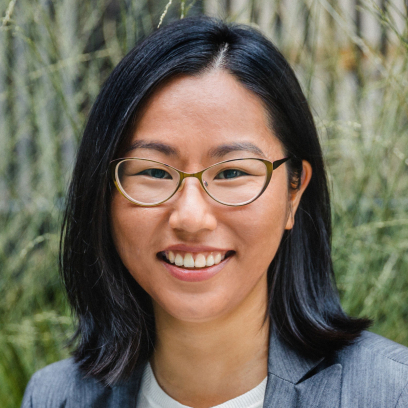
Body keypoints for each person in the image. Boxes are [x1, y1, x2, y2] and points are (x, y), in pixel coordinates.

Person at [22, 16, 408, 408]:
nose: (190, 217)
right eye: (154, 171)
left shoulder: (390, 393)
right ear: (103, 192)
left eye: (232, 172)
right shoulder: (54, 397)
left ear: (294, 192)